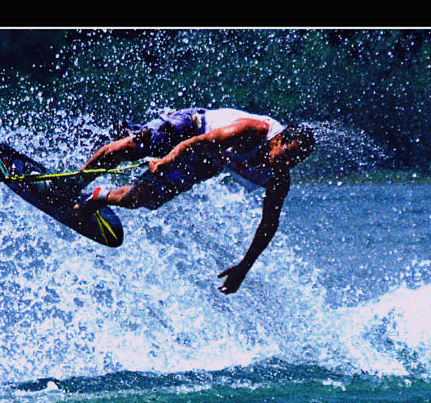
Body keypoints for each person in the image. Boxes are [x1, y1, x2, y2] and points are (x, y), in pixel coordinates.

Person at [68, 107, 315, 295]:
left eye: (296, 161)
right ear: (279, 140)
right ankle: (73, 184)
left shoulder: (278, 178)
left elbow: (268, 225)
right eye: (289, 154)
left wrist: (244, 267)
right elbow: (200, 141)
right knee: (127, 150)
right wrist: (167, 159)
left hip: (206, 161)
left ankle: (97, 197)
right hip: (191, 128)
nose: (288, 163)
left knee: (142, 198)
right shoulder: (252, 131)